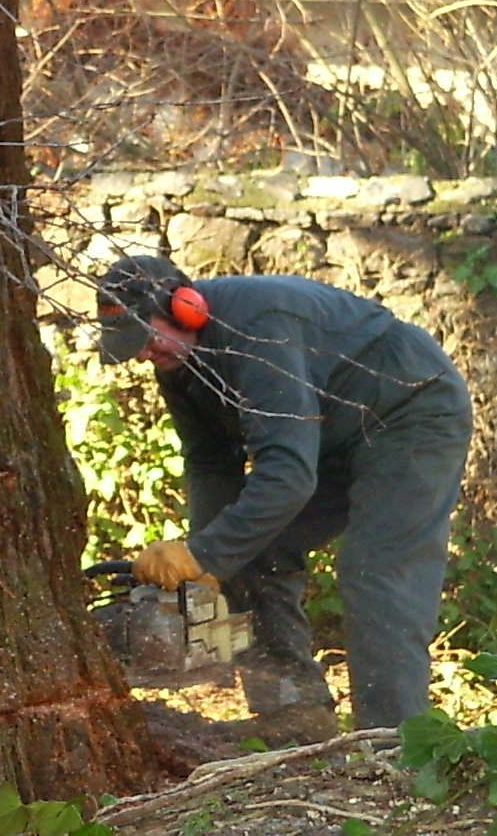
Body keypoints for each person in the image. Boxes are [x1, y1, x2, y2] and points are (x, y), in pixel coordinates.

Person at [98, 253, 472, 740]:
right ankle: (295, 718)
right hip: (331, 431)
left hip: (409, 410)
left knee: (377, 567)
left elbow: (288, 475)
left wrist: (207, 553)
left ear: (185, 307)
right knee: (253, 550)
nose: (145, 355)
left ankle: (397, 743)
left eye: (146, 338)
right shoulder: (181, 360)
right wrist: (207, 563)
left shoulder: (259, 331)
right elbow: (211, 461)